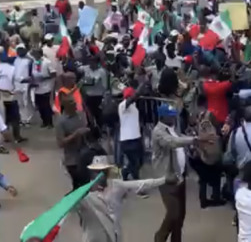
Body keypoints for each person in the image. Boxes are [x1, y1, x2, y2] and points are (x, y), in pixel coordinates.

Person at [70, 155, 174, 242]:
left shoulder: (116, 186)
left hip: (114, 236)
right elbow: (72, 209)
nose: (100, 175)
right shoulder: (83, 194)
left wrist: (163, 180)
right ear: (91, 173)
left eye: (103, 171)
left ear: (107, 172)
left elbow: (140, 184)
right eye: (96, 171)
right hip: (94, 238)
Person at [152, 103, 212, 242]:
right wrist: (195, 140)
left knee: (180, 216)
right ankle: (159, 237)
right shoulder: (158, 132)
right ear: (162, 117)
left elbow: (180, 138)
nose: (174, 118)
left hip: (179, 176)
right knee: (173, 213)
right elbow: (173, 142)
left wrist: (196, 143)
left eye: (174, 115)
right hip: (166, 178)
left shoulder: (173, 128)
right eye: (170, 116)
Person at [56, 92, 92, 190]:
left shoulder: (81, 114)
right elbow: (60, 143)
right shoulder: (61, 122)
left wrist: (88, 130)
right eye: (71, 102)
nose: (75, 104)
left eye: (74, 101)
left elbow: (88, 128)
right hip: (72, 160)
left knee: (87, 184)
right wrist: (75, 134)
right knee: (78, 186)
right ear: (65, 105)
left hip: (86, 155)